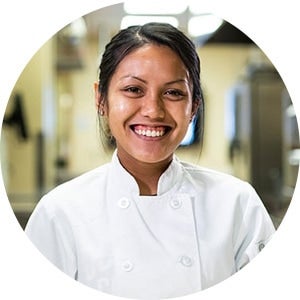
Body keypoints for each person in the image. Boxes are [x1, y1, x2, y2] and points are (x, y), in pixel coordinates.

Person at [25, 23, 275, 299]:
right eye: (133, 89)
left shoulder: (237, 205)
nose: (153, 111)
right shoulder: (60, 213)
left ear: (193, 107)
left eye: (173, 92)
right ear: (101, 99)